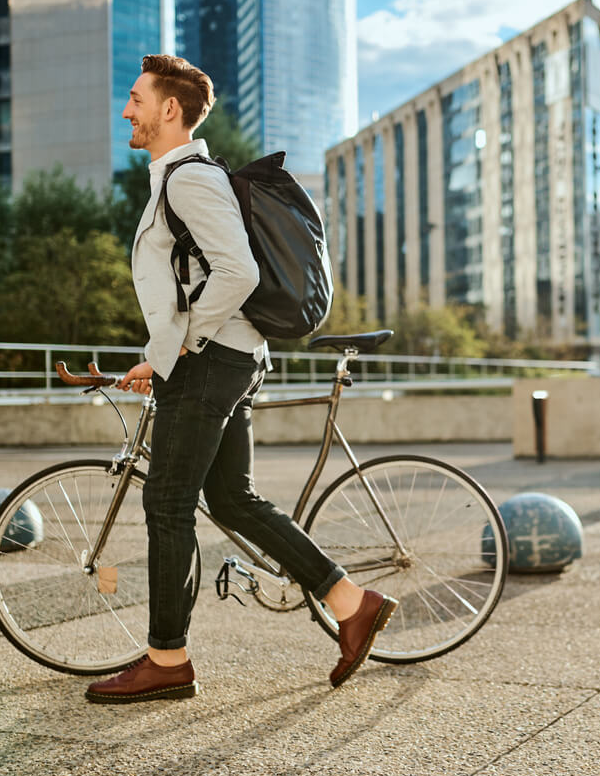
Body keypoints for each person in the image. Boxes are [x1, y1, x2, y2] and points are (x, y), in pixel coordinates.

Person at [84, 55, 396, 704]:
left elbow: (236, 274)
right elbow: (195, 282)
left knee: (167, 503)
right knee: (230, 500)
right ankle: (350, 601)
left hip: (212, 362)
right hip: (226, 356)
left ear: (170, 109)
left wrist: (183, 350)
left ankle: (167, 659)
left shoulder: (189, 180)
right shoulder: (181, 178)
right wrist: (158, 355)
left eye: (136, 99)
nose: (126, 110)